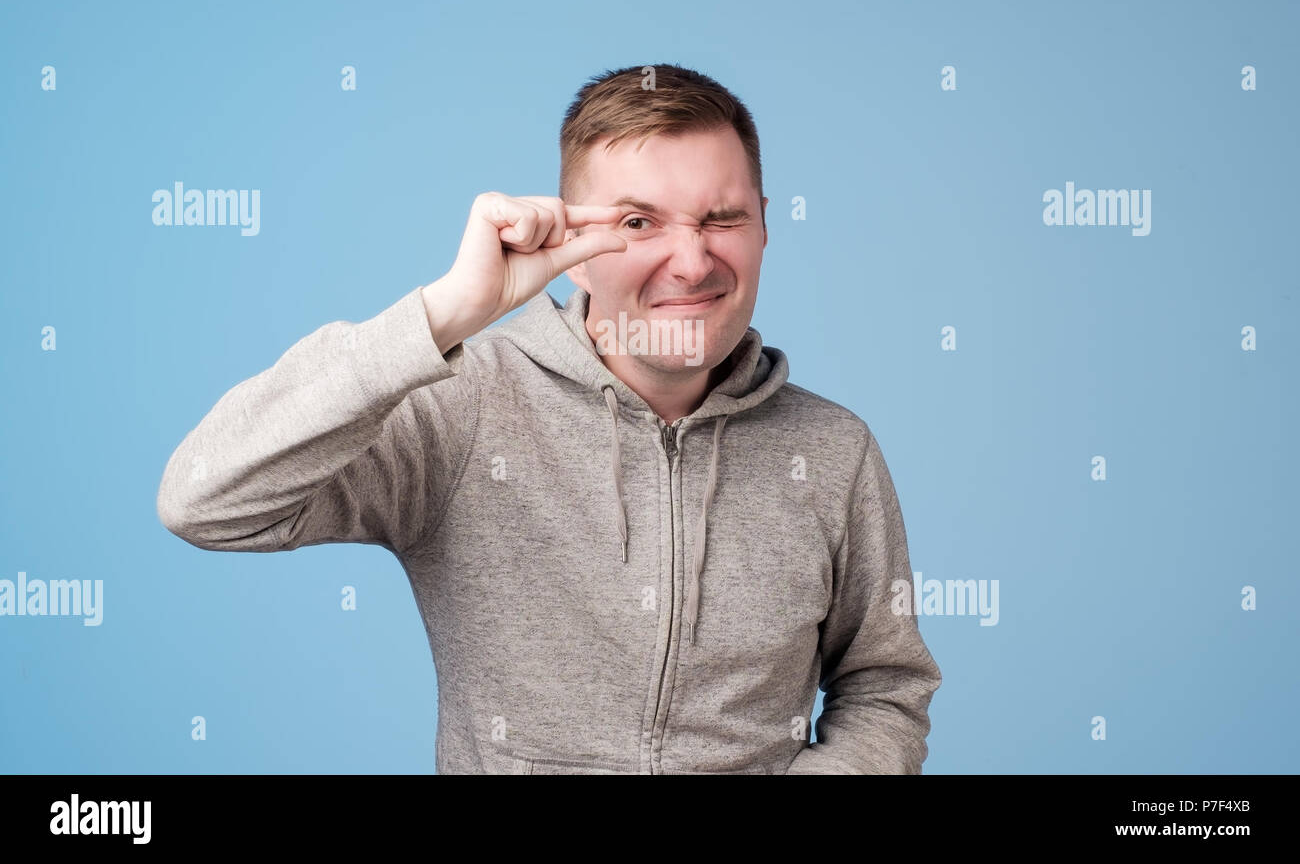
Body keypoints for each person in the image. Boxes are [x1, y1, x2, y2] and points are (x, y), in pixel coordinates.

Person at [156, 63, 942, 774]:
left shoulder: (834, 453)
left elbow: (885, 686)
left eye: (721, 218)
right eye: (639, 223)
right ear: (571, 236)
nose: (694, 261)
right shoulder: (467, 409)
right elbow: (204, 500)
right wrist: (443, 315)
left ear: (765, 222)